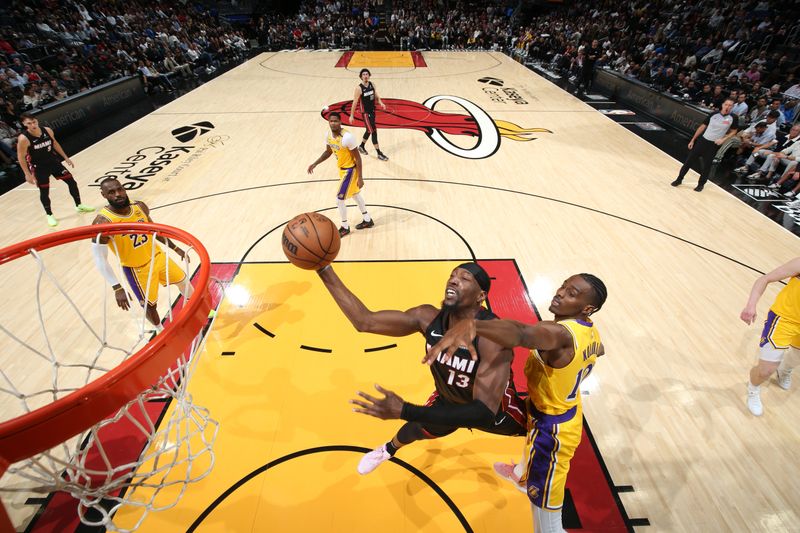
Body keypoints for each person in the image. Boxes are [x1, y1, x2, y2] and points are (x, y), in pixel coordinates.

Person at [427, 274, 607, 533]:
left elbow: (522, 333)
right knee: (530, 436)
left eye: (572, 293)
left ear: (587, 307)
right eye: (563, 286)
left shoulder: (559, 333)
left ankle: (532, 483)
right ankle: (522, 473)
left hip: (552, 432)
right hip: (562, 410)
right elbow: (599, 349)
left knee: (548, 527)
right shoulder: (587, 328)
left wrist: (473, 325)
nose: (560, 293)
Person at [317, 262, 527, 474]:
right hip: (448, 400)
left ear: (481, 296)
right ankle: (386, 451)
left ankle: (522, 473)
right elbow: (365, 321)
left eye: (464, 278)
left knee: (542, 434)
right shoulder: (427, 318)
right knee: (414, 429)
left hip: (494, 410)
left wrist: (407, 410)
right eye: (453, 275)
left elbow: (482, 412)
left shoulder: (492, 337)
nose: (454, 280)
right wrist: (323, 269)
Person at [91, 177, 192, 329]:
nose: (118, 194)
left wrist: (175, 248)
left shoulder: (140, 207)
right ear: (103, 195)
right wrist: (117, 287)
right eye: (111, 192)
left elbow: (155, 231)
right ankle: (160, 331)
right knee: (150, 306)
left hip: (157, 256)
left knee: (184, 282)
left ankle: (197, 308)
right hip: (137, 269)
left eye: (120, 189)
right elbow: (100, 259)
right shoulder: (102, 222)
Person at [741, 257, 800, 416]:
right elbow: (764, 279)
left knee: (796, 357)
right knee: (766, 370)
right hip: (784, 320)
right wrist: (751, 305)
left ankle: (785, 370)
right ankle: (753, 388)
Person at [16, 112, 94, 226]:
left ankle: (79, 205)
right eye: (29, 123)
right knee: (45, 192)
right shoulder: (24, 139)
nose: (33, 125)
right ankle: (49, 215)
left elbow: (55, 143)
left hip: (54, 162)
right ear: (24, 124)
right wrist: (27, 174)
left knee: (72, 182)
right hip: (39, 168)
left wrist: (65, 157)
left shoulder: (47, 130)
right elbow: (21, 157)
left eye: (34, 122)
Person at [307, 111, 373, 237]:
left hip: (350, 170)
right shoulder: (328, 135)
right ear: (328, 122)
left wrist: (360, 177)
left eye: (336, 121)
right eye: (331, 121)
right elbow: (328, 152)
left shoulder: (347, 137)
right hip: (341, 170)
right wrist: (315, 163)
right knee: (355, 194)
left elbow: (358, 158)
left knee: (339, 200)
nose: (333, 123)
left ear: (340, 122)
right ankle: (368, 219)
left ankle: (344, 227)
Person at [671, 99, 738, 192]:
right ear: (723, 105)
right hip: (703, 141)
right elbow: (702, 126)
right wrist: (693, 140)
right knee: (688, 161)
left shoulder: (733, 118)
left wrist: (723, 139)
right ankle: (679, 179)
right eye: (726, 104)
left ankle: (701, 184)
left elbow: (734, 131)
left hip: (713, 145)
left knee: (707, 166)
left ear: (732, 107)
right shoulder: (714, 114)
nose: (727, 106)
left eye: (730, 105)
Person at [349, 68, 389, 161]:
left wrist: (381, 103)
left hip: (372, 111)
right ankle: (379, 153)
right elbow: (355, 102)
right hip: (365, 113)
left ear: (369, 75)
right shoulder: (359, 88)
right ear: (361, 77)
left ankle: (361, 146)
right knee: (373, 131)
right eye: (363, 74)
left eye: (367, 74)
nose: (365, 76)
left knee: (368, 130)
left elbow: (376, 96)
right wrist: (351, 115)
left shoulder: (372, 84)